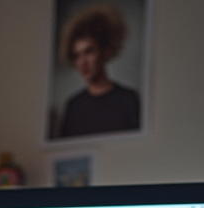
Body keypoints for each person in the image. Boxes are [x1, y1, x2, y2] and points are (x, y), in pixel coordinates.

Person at [55, 5, 141, 138]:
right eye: (77, 55)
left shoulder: (128, 99)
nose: (83, 62)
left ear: (106, 52)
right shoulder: (73, 106)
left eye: (88, 52)